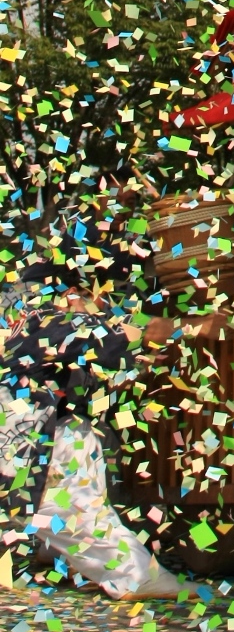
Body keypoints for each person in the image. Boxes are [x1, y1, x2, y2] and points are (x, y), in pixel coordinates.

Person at [1, 253, 191, 599]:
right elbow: (118, 337)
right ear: (75, 291)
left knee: (83, 448)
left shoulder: (17, 309)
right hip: (33, 434)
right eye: (97, 297)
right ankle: (132, 575)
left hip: (24, 427)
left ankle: (61, 554)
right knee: (75, 501)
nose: (101, 306)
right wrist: (194, 325)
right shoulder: (56, 315)